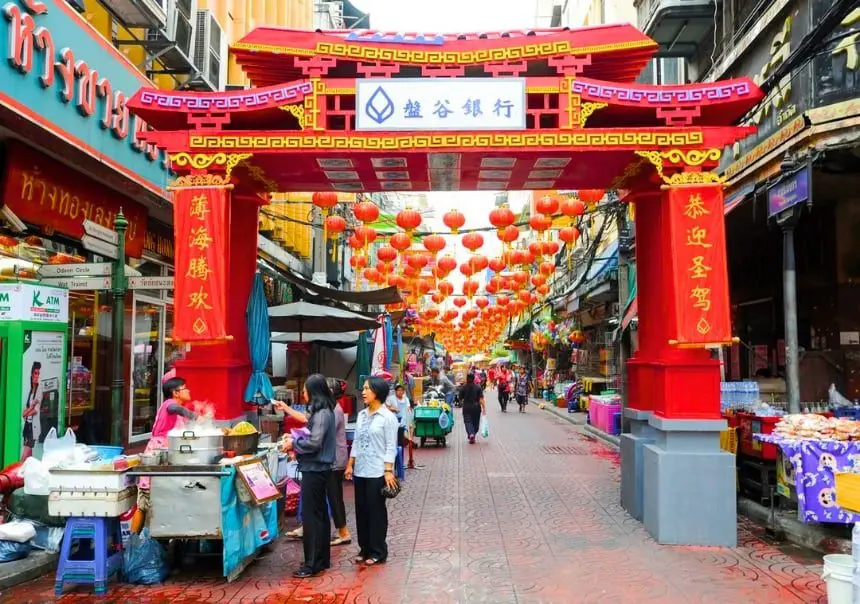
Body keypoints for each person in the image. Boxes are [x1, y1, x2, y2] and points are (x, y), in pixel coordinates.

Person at [281, 374, 336, 578]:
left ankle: (311, 563)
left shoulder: (322, 413)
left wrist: (293, 444)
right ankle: (321, 560)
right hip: (318, 468)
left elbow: (314, 442)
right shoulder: (322, 412)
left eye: (304, 390)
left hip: (315, 469)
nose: (302, 393)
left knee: (312, 517)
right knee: (319, 515)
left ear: (313, 392)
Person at [345, 377, 398, 567]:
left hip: (377, 471)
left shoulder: (387, 417)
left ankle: (378, 550)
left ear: (378, 392)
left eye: (367, 389)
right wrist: (351, 464)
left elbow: (391, 446)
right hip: (361, 470)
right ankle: (364, 547)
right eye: (364, 388)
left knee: (376, 512)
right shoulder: (361, 415)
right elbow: (357, 442)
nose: (363, 392)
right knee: (361, 511)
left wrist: (388, 470)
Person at [137, 376, 200, 513]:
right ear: (175, 392)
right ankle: (135, 534)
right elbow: (175, 408)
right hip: (157, 453)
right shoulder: (169, 404)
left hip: (170, 453)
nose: (188, 391)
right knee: (146, 498)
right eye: (185, 388)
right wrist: (196, 417)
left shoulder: (179, 412)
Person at [21, 362, 41, 460]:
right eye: (35, 373)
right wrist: (28, 410)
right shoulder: (30, 391)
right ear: (32, 374)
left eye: (38, 373)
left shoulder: (39, 390)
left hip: (33, 428)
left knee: (24, 456)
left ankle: (17, 473)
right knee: (29, 456)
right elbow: (25, 411)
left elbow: (36, 410)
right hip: (27, 426)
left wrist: (26, 413)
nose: (37, 376)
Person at [459, 373, 486, 444]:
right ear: (474, 378)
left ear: (466, 378)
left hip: (466, 407)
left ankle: (471, 434)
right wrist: (484, 408)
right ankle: (472, 434)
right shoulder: (478, 387)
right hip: (476, 408)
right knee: (476, 423)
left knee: (468, 422)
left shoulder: (463, 387)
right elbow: (481, 399)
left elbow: (460, 398)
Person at [385, 383, 411, 448]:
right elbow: (386, 407)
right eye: (398, 390)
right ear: (395, 391)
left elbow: (408, 407)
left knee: (401, 431)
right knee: (394, 433)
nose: (400, 392)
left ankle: (401, 444)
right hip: (394, 418)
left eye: (402, 390)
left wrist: (409, 413)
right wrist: (393, 409)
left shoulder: (406, 399)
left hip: (403, 419)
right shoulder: (391, 398)